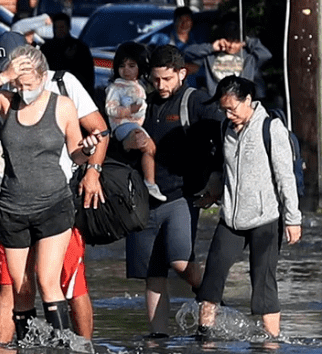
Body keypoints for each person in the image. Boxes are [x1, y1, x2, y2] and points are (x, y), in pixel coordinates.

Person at [0, 32, 108, 341]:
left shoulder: (63, 99)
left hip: (55, 202)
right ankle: (23, 350)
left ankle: (69, 350)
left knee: (54, 281)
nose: (23, 89)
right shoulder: (6, 100)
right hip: (13, 206)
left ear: (43, 76)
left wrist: (89, 157)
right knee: (18, 286)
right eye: (18, 83)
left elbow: (80, 147)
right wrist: (4, 76)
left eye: (28, 83)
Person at [117, 45, 224, 337]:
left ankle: (212, 295)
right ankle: (158, 338)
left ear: (181, 73)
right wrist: (125, 144)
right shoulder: (143, 103)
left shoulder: (197, 102)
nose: (161, 86)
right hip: (142, 199)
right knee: (152, 275)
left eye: (167, 79)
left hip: (181, 197)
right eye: (155, 79)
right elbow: (118, 143)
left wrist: (216, 178)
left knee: (180, 261)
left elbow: (225, 138)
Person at [195, 76, 302, 338]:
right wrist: (212, 193)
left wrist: (292, 219)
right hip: (231, 217)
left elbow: (285, 176)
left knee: (263, 282)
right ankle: (204, 337)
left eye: (232, 108)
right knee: (212, 276)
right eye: (224, 109)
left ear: (248, 101)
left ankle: (272, 344)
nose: (228, 114)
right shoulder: (226, 130)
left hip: (266, 218)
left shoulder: (270, 128)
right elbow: (224, 171)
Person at [105, 42, 165, 201]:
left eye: (131, 65)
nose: (126, 70)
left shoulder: (140, 86)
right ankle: (150, 182)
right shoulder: (116, 87)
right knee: (147, 145)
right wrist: (128, 110)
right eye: (122, 65)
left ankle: (149, 181)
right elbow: (110, 109)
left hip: (135, 124)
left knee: (149, 147)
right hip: (122, 125)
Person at [183, 14, 271, 98]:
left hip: (240, 100)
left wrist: (247, 40)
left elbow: (266, 55)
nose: (231, 45)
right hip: (215, 101)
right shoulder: (211, 56)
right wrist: (211, 47)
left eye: (236, 41)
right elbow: (187, 53)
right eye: (228, 40)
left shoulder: (249, 58)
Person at [41, 12, 95, 95]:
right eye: (56, 27)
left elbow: (87, 76)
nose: (59, 30)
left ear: (68, 27)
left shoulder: (80, 48)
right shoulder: (46, 48)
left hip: (75, 91)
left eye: (62, 27)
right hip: (51, 90)